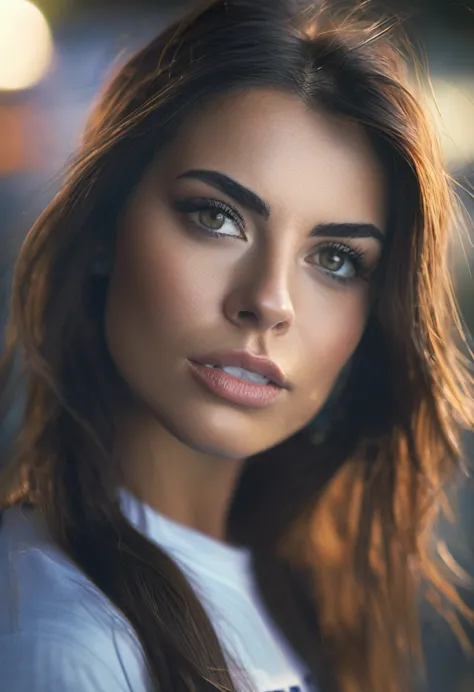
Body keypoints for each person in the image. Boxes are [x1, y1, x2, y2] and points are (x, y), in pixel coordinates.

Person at [0, 1, 472, 691]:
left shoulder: (296, 589)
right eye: (217, 217)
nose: (269, 301)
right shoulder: (66, 649)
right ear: (105, 227)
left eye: (336, 259)